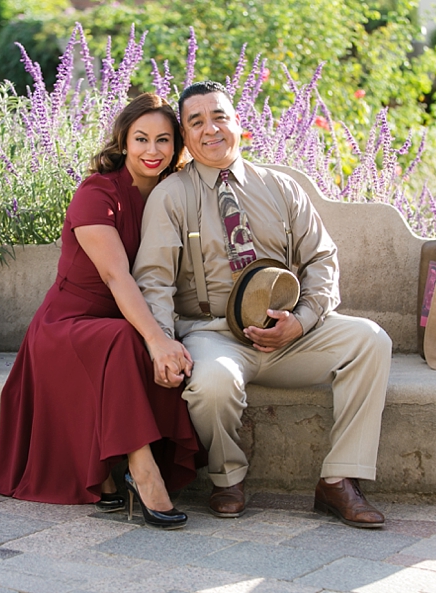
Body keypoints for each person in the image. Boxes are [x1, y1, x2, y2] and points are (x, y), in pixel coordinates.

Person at [132, 81, 392, 528]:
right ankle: (227, 477)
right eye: (196, 122)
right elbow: (153, 280)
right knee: (212, 383)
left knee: (370, 340)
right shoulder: (171, 195)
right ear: (185, 136)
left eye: (220, 117)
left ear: (238, 123)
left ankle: (339, 480)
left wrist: (304, 320)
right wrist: (163, 343)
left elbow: (321, 259)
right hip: (213, 335)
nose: (211, 130)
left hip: (292, 335)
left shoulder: (282, 187)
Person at [0, 93, 203, 530]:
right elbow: (116, 278)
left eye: (164, 140)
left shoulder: (174, 193)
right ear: (123, 141)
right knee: (132, 340)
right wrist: (157, 337)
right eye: (141, 138)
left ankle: (116, 471)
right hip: (66, 325)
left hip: (121, 318)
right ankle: (142, 472)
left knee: (148, 341)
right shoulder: (97, 192)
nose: (152, 150)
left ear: (177, 146)